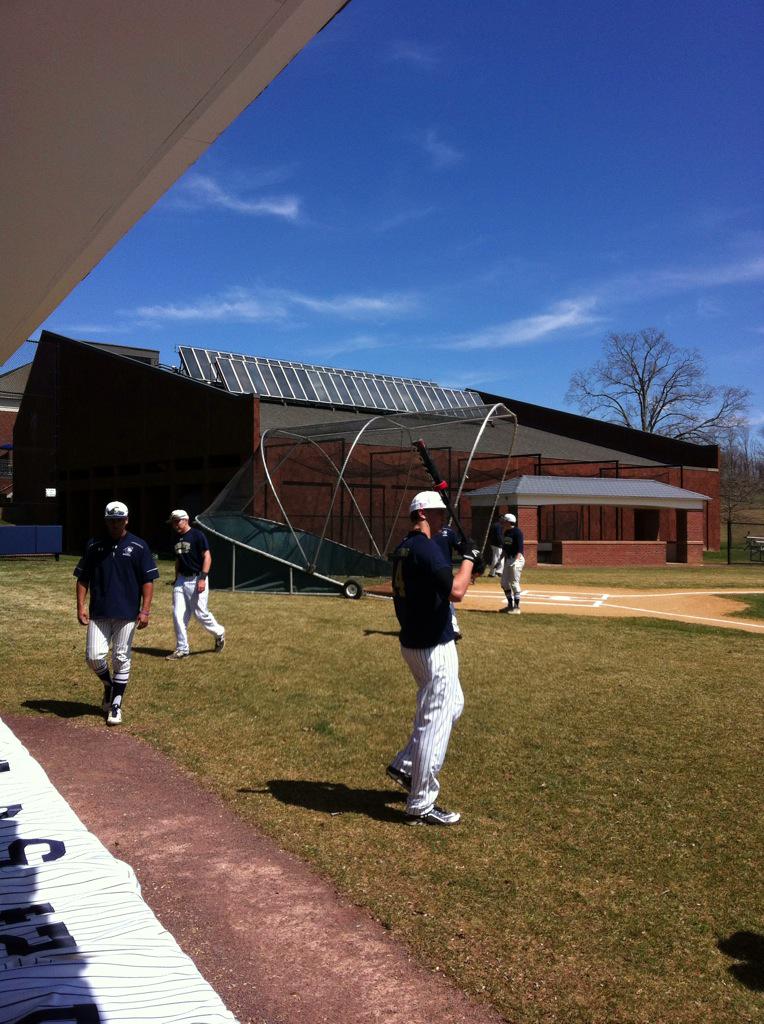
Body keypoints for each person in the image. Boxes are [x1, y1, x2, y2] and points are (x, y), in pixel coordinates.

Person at [386, 491, 482, 826]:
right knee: (434, 721)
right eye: (439, 513)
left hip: (415, 642)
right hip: (432, 646)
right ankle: (420, 803)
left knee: (453, 703)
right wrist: (469, 559)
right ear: (423, 513)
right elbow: (457, 591)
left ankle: (405, 765)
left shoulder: (404, 547)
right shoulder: (425, 549)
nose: (443, 519)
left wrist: (468, 561)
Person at [74, 500, 159, 726]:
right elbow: (83, 578)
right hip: (99, 612)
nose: (115, 524)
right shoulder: (94, 545)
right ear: (106, 521)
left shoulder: (139, 546)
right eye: (111, 520)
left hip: (127, 612)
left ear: (126, 520)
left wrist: (145, 610)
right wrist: (80, 606)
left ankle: (116, 704)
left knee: (121, 657)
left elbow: (148, 581)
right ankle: (109, 685)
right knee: (93, 657)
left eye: (119, 520)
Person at [166, 510, 225, 660]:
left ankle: (219, 632)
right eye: (173, 522)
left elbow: (207, 556)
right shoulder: (175, 538)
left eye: (177, 521)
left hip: (196, 577)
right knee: (178, 614)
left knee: (200, 614)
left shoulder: (197, 535)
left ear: (186, 520)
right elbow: (178, 560)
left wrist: (203, 578)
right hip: (181, 580)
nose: (175, 524)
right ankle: (182, 649)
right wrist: (176, 578)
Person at [500, 512, 525, 614]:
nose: (503, 522)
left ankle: (517, 608)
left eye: (504, 521)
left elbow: (520, 549)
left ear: (509, 522)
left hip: (517, 559)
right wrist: (500, 560)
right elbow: (505, 548)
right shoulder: (506, 532)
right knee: (504, 583)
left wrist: (517, 561)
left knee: (514, 583)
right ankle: (510, 605)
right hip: (508, 559)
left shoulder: (517, 532)